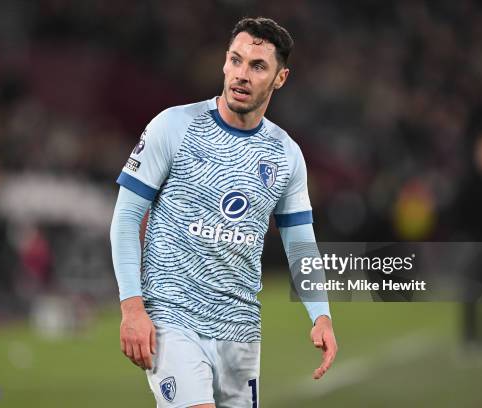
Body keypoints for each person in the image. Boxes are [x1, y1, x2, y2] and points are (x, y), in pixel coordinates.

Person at [110, 17, 337, 408]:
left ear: (280, 78)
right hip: (173, 317)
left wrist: (321, 315)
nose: (241, 75)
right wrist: (132, 307)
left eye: (257, 66)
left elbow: (300, 243)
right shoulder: (174, 126)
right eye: (235, 60)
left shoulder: (286, 155)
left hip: (240, 327)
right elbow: (127, 217)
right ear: (224, 62)